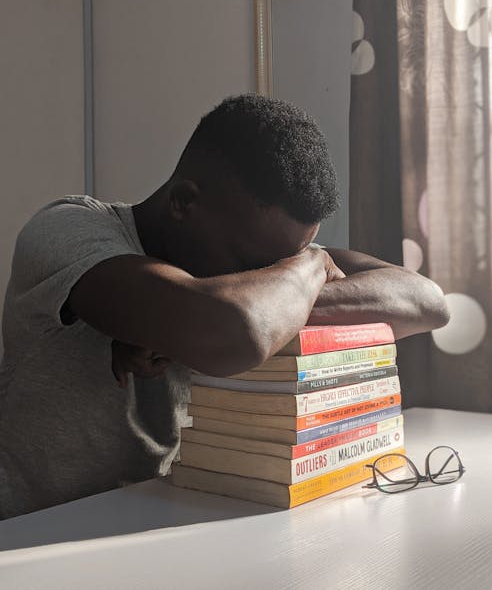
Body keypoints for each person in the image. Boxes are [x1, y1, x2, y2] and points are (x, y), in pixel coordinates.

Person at [0, 94, 449, 519]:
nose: (271, 276)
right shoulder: (68, 229)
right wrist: (305, 272)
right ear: (184, 202)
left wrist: (295, 280)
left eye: (288, 261)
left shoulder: (278, 265)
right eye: (260, 265)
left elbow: (428, 302)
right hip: (32, 535)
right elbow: (236, 330)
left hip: (167, 521)